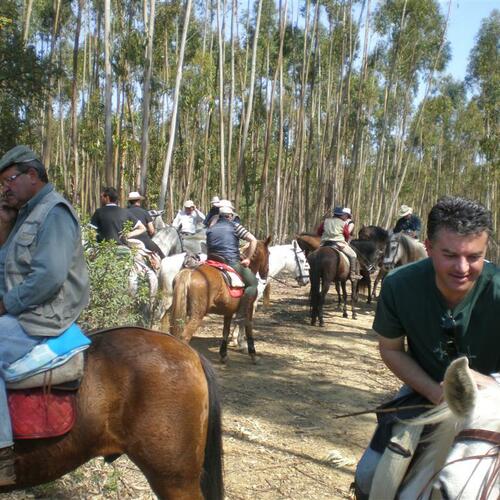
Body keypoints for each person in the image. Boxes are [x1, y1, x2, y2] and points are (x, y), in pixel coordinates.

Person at [354, 196, 500, 499]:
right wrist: (436, 393)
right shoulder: (398, 285)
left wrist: (488, 386)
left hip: (496, 401)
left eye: (474, 256)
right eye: (449, 255)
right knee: (369, 474)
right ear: (428, 248)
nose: (462, 268)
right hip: (427, 391)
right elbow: (391, 349)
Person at [0, 145, 90, 485]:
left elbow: (49, 277)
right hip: (27, 309)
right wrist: (5, 223)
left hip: (45, 316)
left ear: (32, 175)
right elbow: (5, 268)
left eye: (9, 180)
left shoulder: (54, 213)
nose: (5, 189)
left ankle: (2, 454)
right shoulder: (25, 214)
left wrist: (6, 304)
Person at [206, 204, 258, 323]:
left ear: (220, 216)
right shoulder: (235, 226)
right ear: (230, 216)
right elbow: (253, 240)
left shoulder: (211, 227)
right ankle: (241, 314)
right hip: (230, 261)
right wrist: (248, 258)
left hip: (211, 260)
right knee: (253, 283)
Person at [320, 206, 362, 280]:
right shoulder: (343, 223)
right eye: (344, 215)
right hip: (338, 243)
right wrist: (345, 241)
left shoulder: (325, 221)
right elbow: (346, 234)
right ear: (341, 215)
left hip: (325, 243)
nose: (346, 216)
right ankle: (352, 274)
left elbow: (319, 232)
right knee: (353, 255)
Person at [127, 191, 165, 259]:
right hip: (144, 240)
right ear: (138, 201)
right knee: (162, 257)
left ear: (129, 201)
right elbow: (151, 230)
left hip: (127, 241)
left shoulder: (124, 212)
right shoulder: (144, 212)